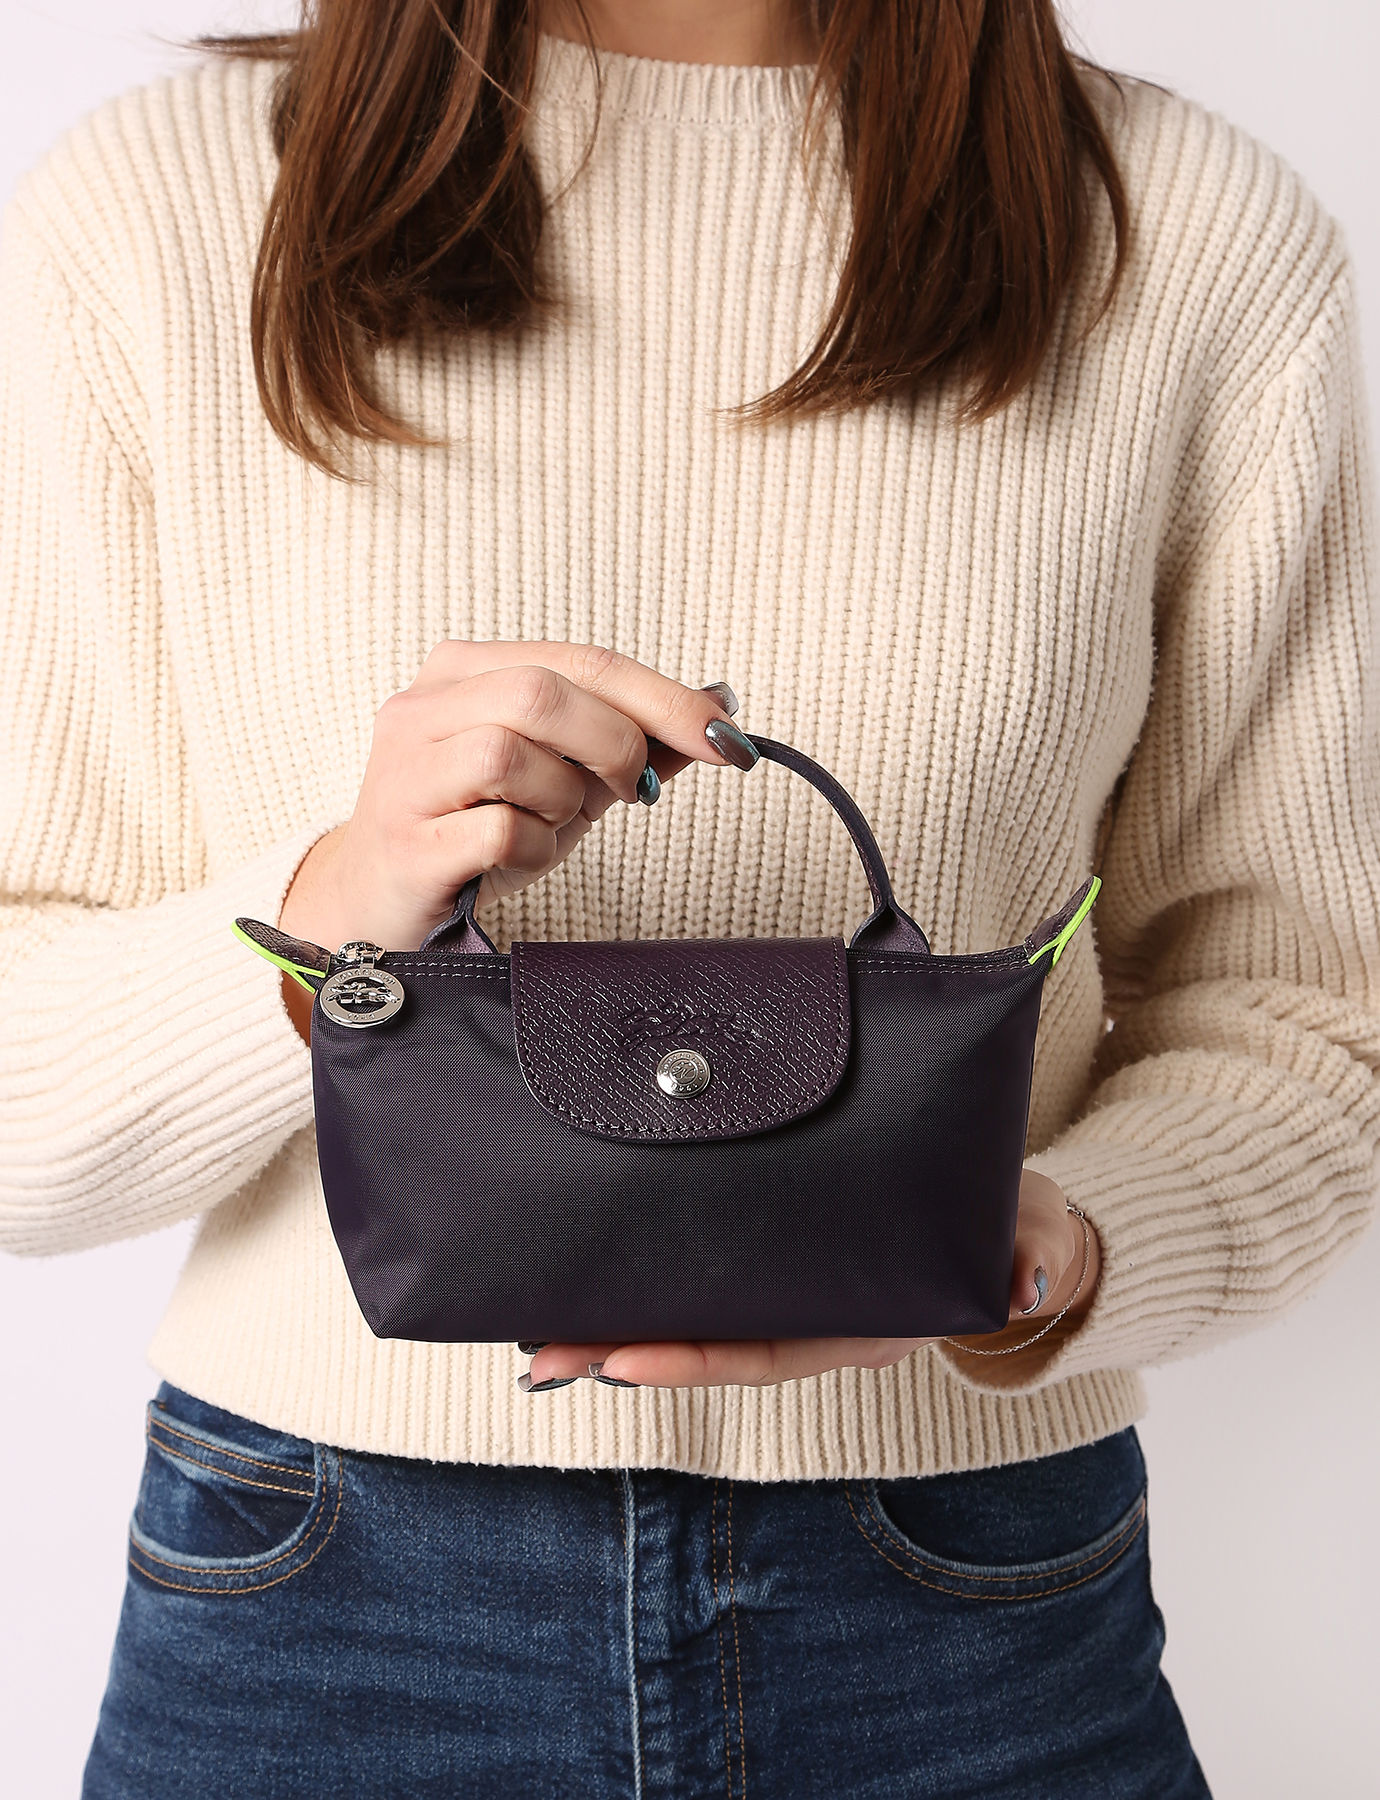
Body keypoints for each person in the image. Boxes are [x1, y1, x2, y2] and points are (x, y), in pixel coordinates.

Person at [2, 1, 1375, 1793]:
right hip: (319, 1605)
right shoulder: (162, 210)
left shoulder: (1183, 232)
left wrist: (1032, 1253)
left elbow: (1308, 1012)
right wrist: (339, 906)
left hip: (970, 1609)